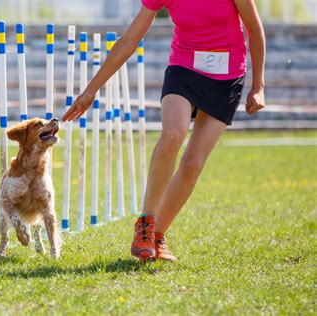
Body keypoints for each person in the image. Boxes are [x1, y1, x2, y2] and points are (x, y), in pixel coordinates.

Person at [62, 0, 266, 261]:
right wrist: (91, 89)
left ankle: (158, 236)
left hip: (227, 77)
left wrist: (258, 86)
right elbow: (129, 39)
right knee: (173, 134)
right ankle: (145, 225)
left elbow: (253, 27)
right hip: (184, 68)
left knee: (193, 163)